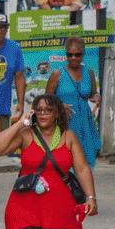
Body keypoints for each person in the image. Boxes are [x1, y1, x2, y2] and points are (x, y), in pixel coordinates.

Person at [0, 93, 97, 229]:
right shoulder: (26, 134)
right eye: (38, 110)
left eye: (48, 110)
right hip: (25, 207)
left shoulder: (68, 136)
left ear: (57, 114)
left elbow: (82, 168)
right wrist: (19, 123)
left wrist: (90, 197)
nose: (43, 113)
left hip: (58, 208)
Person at [45, 36, 101, 167]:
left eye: (77, 54)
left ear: (83, 53)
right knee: (65, 161)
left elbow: (94, 92)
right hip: (65, 123)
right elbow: (45, 100)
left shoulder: (89, 72)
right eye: (69, 55)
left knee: (85, 162)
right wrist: (59, 106)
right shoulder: (58, 74)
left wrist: (97, 97)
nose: (73, 58)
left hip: (84, 124)